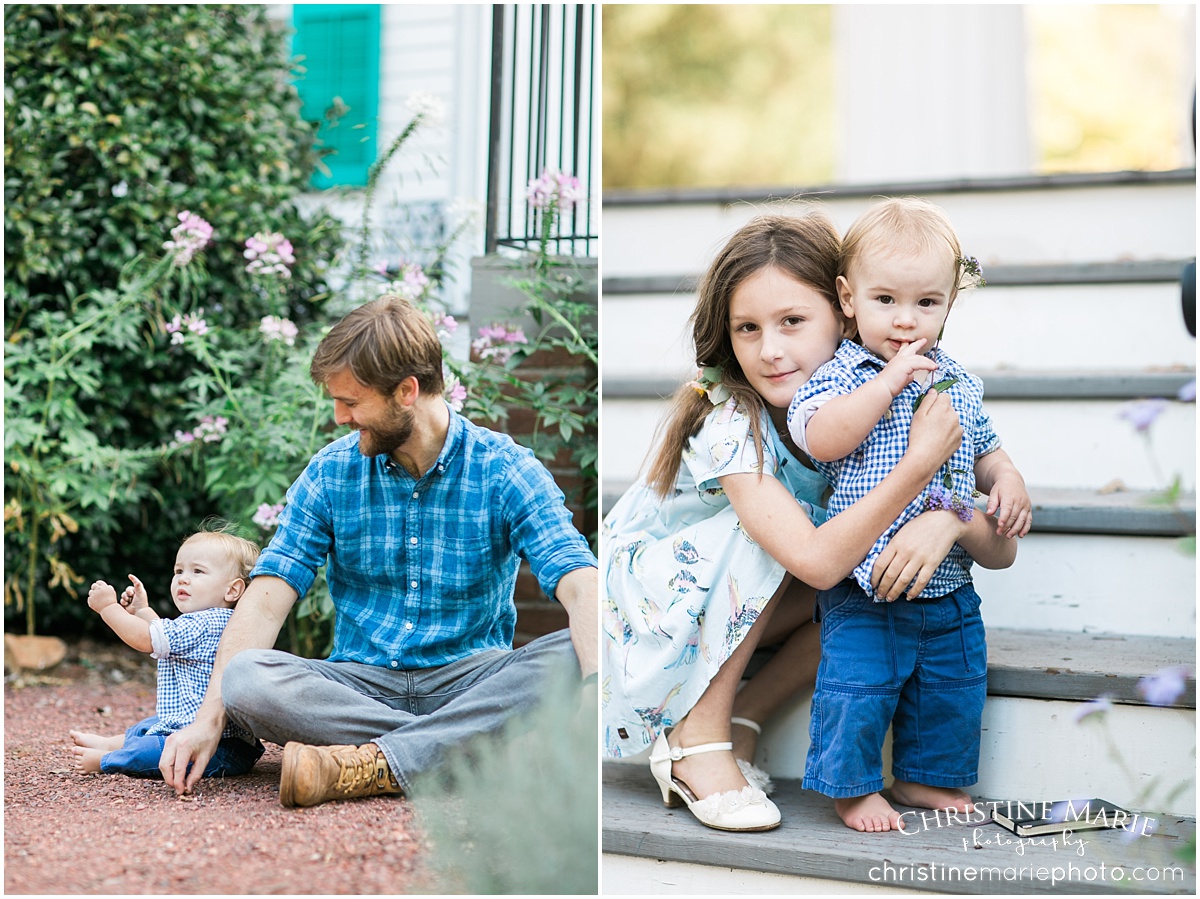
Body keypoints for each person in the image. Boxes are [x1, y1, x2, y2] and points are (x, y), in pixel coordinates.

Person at [601, 209, 1017, 833]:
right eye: (747, 329)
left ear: (844, 310)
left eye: (793, 321)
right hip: (653, 601)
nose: (770, 351)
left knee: (866, 591)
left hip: (757, 596)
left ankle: (746, 716)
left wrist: (952, 513)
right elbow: (817, 560)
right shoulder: (733, 424)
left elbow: (985, 518)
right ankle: (696, 736)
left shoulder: (887, 392)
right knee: (790, 540)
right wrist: (918, 468)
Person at [157, 295, 598, 807]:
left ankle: (372, 763)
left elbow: (579, 580)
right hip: (357, 686)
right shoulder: (330, 471)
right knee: (246, 678)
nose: (340, 417)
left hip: (471, 679)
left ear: (406, 391)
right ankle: (464, 749)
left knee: (576, 652)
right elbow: (267, 597)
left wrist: (592, 692)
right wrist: (208, 720)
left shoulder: (505, 469)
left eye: (351, 401)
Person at [787, 196, 1030, 833]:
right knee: (859, 689)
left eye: (927, 303)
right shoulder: (841, 376)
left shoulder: (956, 382)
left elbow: (988, 452)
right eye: (885, 300)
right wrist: (888, 384)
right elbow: (824, 438)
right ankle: (851, 786)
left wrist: (1008, 480)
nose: (906, 320)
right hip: (865, 585)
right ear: (847, 297)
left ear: (950, 301)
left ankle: (923, 777)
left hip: (949, 583)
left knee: (951, 685)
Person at [69, 529, 264, 779]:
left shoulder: (205, 623)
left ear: (232, 591)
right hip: (227, 741)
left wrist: (108, 608)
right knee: (151, 725)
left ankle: (109, 758)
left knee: (153, 749)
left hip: (220, 750)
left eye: (198, 571)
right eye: (179, 571)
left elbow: (146, 639)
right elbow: (166, 639)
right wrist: (143, 611)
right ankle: (113, 743)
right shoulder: (216, 621)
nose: (183, 579)